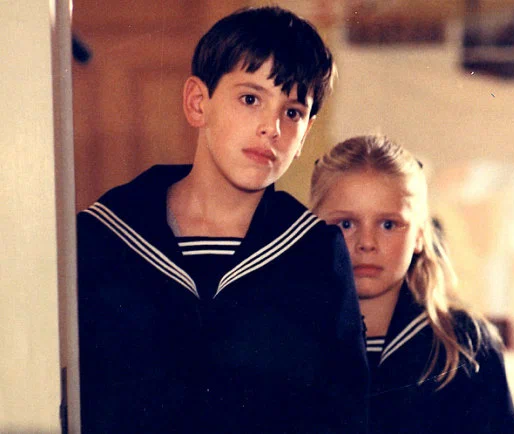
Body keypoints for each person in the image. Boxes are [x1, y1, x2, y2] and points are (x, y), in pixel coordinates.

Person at [77, 7, 368, 433]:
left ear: (306, 134)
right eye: (251, 99)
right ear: (198, 103)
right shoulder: (103, 237)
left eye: (292, 112)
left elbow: (345, 415)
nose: (272, 128)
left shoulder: (316, 253)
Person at [310, 135, 514, 434]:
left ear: (420, 235)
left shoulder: (466, 344)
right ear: (312, 228)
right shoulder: (284, 338)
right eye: (346, 224)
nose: (367, 243)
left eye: (388, 224)